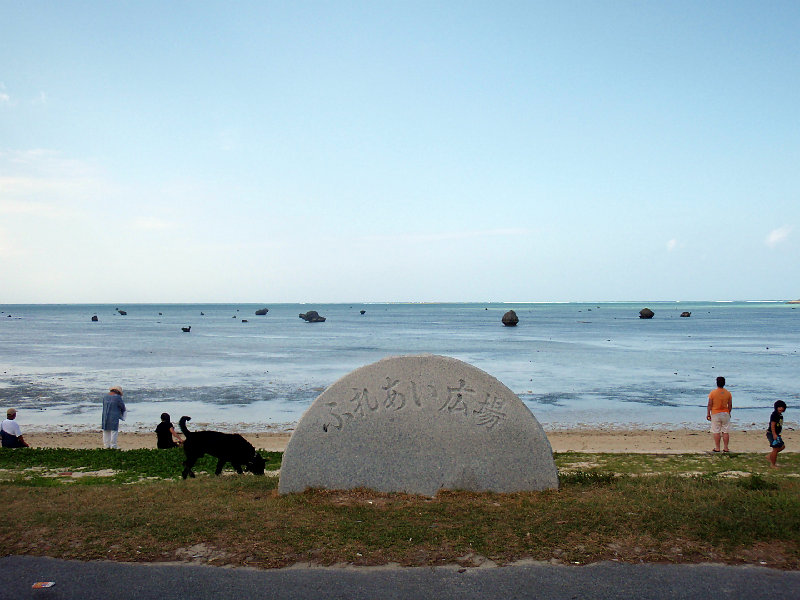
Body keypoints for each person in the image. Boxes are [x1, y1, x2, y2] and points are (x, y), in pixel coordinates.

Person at [706, 376, 732, 452]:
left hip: (715, 413)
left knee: (716, 431)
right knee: (725, 431)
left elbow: (710, 404)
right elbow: (730, 405)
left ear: (717, 383)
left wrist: (708, 413)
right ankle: (726, 448)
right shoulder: (728, 393)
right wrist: (729, 412)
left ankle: (717, 448)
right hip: (725, 413)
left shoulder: (713, 393)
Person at [101, 385, 126, 449]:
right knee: (114, 431)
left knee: (106, 430)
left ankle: (106, 445)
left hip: (105, 415)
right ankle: (113, 446)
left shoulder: (105, 396)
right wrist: (123, 416)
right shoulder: (117, 398)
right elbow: (122, 407)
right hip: (114, 416)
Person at [767, 400, 787, 468]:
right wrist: (774, 434)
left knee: (782, 446)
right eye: (779, 407)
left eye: (782, 407)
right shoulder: (774, 414)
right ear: (776, 407)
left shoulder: (780, 415)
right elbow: (772, 425)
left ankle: (770, 456)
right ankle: (773, 464)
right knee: (775, 448)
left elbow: (779, 425)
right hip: (771, 433)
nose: (781, 408)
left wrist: (778, 434)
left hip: (777, 434)